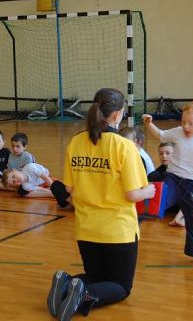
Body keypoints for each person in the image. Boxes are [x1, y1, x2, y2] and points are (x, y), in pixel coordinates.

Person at [47, 88, 155, 320]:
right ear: (117, 115)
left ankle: (66, 283)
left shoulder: (76, 142)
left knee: (96, 276)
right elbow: (132, 195)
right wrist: (149, 190)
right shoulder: (124, 146)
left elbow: (69, 189)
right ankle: (81, 294)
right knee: (121, 286)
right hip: (117, 230)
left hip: (86, 228)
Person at [143, 100, 193, 267]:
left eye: (191, 123)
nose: (185, 126)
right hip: (173, 178)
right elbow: (160, 135)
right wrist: (149, 124)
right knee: (156, 203)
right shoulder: (178, 132)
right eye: (183, 121)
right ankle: (132, 226)